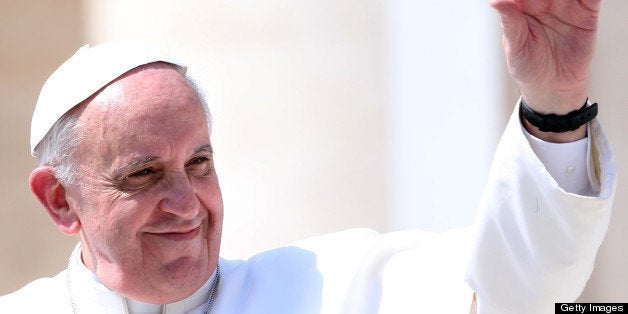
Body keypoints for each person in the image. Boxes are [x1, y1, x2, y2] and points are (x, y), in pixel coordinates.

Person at [0, 0, 616, 313]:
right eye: (143, 174)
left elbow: (517, 293)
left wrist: (554, 104)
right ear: (60, 200)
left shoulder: (333, 287)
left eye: (200, 163)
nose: (187, 205)